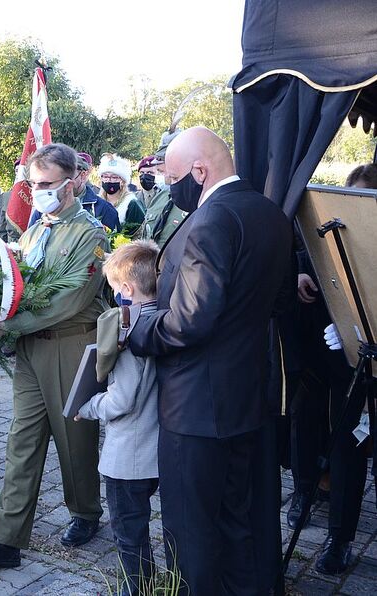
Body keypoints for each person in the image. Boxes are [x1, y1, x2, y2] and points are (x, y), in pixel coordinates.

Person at [129, 127, 292, 594]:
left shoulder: (210, 220)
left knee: (192, 529)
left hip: (196, 407)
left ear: (200, 171)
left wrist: (136, 326)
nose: (171, 186)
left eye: (176, 176)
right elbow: (279, 300)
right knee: (241, 522)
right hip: (248, 396)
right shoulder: (269, 213)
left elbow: (187, 323)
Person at [0, 143, 107, 569]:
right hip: (30, 349)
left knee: (74, 439)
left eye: (46, 184)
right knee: (22, 441)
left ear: (72, 181)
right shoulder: (33, 232)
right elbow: (14, 285)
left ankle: (85, 512)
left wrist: (4, 327)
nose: (38, 191)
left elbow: (71, 298)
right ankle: (6, 540)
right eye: (32, 183)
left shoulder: (90, 235)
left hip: (70, 344)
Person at [285, 163, 376, 575]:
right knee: (313, 427)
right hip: (324, 353)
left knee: (353, 447)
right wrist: (301, 268)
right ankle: (313, 503)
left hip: (364, 358)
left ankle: (341, 536)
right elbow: (313, 251)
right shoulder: (331, 223)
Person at [77, 240, 160, 596]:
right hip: (160, 449)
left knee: (129, 533)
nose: (114, 296)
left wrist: (88, 406)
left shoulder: (129, 330)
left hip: (129, 455)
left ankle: (137, 590)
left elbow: (121, 399)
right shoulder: (165, 318)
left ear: (126, 288)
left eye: (114, 289)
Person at [136, 154, 186, 245]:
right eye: (142, 173)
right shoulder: (160, 197)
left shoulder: (197, 201)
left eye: (150, 173)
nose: (145, 176)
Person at [98, 154, 145, 234]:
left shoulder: (131, 203)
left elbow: (136, 233)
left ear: (122, 181)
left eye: (114, 177)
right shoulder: (96, 201)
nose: (109, 180)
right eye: (105, 176)